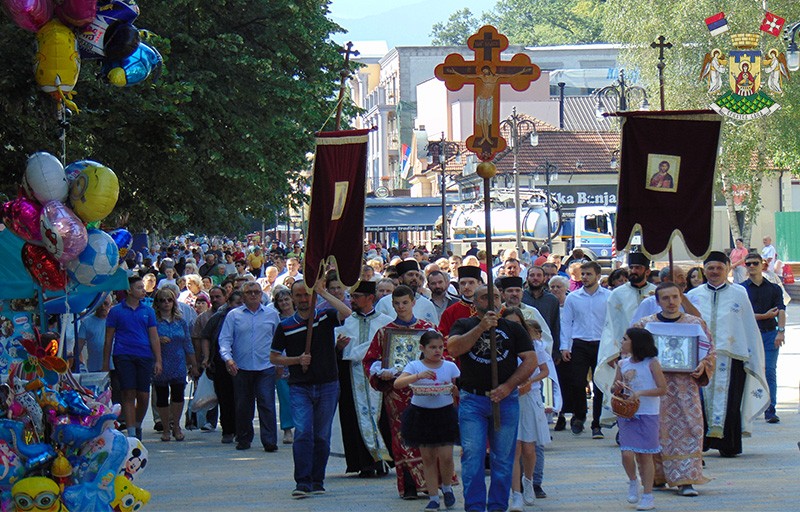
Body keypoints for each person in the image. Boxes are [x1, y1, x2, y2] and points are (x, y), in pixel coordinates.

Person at [447, 284, 537, 512]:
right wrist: (481, 328)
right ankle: (475, 507)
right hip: (473, 400)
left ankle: (497, 506)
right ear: (475, 302)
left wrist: (508, 386)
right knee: (473, 457)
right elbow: (454, 349)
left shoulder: (513, 328)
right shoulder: (465, 324)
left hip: (505, 400)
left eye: (496, 296)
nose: (492, 301)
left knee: (503, 459)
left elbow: (530, 360)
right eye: (486, 297)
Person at [270, 280, 351, 499]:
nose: (304, 299)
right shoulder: (285, 325)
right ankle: (302, 481)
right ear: (293, 298)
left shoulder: (324, 317)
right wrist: (297, 359)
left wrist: (322, 292)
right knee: (304, 432)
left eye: (307, 295)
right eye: (299, 295)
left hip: (327, 384)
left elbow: (346, 311)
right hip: (299, 386)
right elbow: (274, 356)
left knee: (322, 436)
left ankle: (317, 479)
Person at [634, 282, 715, 496]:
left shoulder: (695, 323)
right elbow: (630, 354)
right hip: (654, 389)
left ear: (681, 298)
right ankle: (658, 476)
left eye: (675, 297)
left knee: (691, 428)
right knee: (655, 431)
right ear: (658, 302)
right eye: (666, 298)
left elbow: (710, 352)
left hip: (685, 389)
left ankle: (685, 479)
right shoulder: (645, 325)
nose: (671, 302)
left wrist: (703, 366)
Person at [363, 285, 444, 499]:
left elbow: (443, 355)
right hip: (396, 394)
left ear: (413, 303)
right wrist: (381, 373)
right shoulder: (384, 332)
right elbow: (370, 360)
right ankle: (408, 486)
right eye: (396, 304)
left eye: (405, 303)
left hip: (424, 392)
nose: (401, 307)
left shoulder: (428, 330)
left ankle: (433, 483)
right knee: (403, 437)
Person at [686, 251, 768, 457]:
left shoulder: (739, 293)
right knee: (698, 402)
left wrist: (752, 355)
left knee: (731, 402)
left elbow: (748, 326)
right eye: (710, 268)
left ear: (728, 269)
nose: (714, 272)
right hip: (700, 357)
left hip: (732, 357)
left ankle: (729, 445)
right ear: (704, 270)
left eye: (719, 268)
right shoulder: (693, 296)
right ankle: (701, 443)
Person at [394, 331, 460, 512]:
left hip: (444, 414)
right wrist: (418, 376)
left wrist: (454, 390)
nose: (437, 351)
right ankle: (433, 497)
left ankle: (446, 487)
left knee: (446, 456)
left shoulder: (449, 366)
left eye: (440, 347)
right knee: (428, 458)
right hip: (421, 414)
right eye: (432, 347)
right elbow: (398, 384)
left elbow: (457, 386)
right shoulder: (415, 366)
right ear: (422, 348)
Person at [334, 280, 393, 477]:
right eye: (351, 297)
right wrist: (339, 348)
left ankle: (382, 461)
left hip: (377, 378)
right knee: (355, 417)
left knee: (381, 417)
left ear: (370, 298)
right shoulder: (347, 321)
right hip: (353, 377)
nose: (352, 301)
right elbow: (339, 353)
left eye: (357, 297)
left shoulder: (385, 321)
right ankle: (363, 463)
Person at [218, 281, 280, 452]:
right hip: (241, 367)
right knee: (243, 405)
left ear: (262, 294)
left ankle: (269, 441)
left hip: (265, 366)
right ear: (243, 295)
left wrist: (281, 362)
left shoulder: (271, 314)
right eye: (249, 292)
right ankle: (244, 438)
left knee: (267, 403)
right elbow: (225, 339)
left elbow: (279, 340)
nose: (253, 295)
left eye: (256, 292)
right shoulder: (234, 315)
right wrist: (228, 359)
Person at [596, 253, 656, 429]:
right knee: (625, 389)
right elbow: (611, 324)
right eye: (632, 268)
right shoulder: (618, 294)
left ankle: (648, 424)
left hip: (652, 351)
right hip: (626, 351)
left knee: (648, 387)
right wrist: (614, 352)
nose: (634, 271)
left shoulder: (656, 291)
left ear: (647, 270)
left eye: (638, 268)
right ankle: (624, 425)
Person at [500, 312, 552, 512]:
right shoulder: (501, 346)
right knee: (515, 449)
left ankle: (528, 480)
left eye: (517, 324)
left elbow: (545, 370)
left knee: (529, 449)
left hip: (530, 398)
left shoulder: (535, 346)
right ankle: (516, 494)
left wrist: (530, 381)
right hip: (511, 396)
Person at [612, 328, 667, 511]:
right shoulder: (622, 364)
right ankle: (633, 481)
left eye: (625, 339)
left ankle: (648, 494)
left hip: (648, 413)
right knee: (627, 453)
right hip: (627, 414)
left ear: (636, 342)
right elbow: (614, 387)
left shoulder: (652, 363)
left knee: (645, 456)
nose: (622, 342)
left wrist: (641, 393)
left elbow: (662, 389)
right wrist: (618, 389)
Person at [103, 276, 163, 440]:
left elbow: (154, 337)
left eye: (143, 287)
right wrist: (105, 363)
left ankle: (137, 424)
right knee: (128, 393)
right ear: (129, 291)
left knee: (143, 395)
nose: (143, 290)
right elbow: (108, 338)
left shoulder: (148, 311)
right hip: (123, 355)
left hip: (144, 355)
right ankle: (131, 433)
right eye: (139, 287)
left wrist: (158, 359)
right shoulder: (116, 311)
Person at [560, 261, 610, 437]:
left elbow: (611, 323)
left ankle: (596, 423)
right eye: (583, 274)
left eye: (589, 274)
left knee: (599, 384)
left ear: (598, 276)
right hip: (579, 343)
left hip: (601, 343)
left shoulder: (608, 296)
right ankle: (579, 415)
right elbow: (566, 323)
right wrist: (564, 346)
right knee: (577, 382)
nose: (585, 277)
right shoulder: (573, 297)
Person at [741, 253, 786, 424]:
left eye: (755, 263)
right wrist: (763, 316)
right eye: (748, 264)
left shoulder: (774, 288)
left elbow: (781, 310)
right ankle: (746, 410)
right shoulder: (741, 289)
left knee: (769, 371)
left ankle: (770, 409)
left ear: (763, 265)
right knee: (746, 372)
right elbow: (742, 315)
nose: (751, 266)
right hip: (747, 335)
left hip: (769, 334)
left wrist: (780, 332)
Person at [152, 288, 199, 442]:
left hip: (178, 363)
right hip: (161, 362)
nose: (166, 303)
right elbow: (147, 340)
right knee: (162, 396)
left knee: (178, 395)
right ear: (157, 304)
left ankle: (176, 425)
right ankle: (165, 427)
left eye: (169, 300)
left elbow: (188, 343)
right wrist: (158, 340)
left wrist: (193, 363)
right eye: (162, 300)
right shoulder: (153, 321)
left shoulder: (181, 321)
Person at [201, 291, 244, 444]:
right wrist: (206, 357)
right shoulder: (218, 318)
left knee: (242, 398)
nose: (239, 306)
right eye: (236, 302)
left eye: (241, 303)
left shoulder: (247, 317)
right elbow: (205, 337)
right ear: (229, 303)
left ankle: (242, 429)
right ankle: (228, 430)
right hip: (222, 363)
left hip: (243, 363)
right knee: (225, 397)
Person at [375, 260, 438, 326]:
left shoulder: (427, 304)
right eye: (410, 275)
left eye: (417, 275)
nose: (414, 278)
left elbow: (434, 330)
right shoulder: (384, 302)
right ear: (400, 279)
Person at [438, 266, 482, 337]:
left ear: (479, 283)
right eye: (463, 283)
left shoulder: (488, 307)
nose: (466, 287)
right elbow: (442, 337)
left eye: (471, 283)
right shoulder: (450, 312)